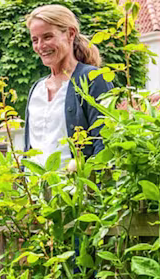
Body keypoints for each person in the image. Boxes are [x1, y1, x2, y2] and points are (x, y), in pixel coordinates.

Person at [23, 5, 114, 172]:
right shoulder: (36, 89)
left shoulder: (93, 79)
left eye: (47, 37)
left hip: (74, 193)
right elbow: (28, 151)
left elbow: (105, 144)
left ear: (70, 34)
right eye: (35, 40)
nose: (40, 46)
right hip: (35, 193)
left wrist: (94, 192)